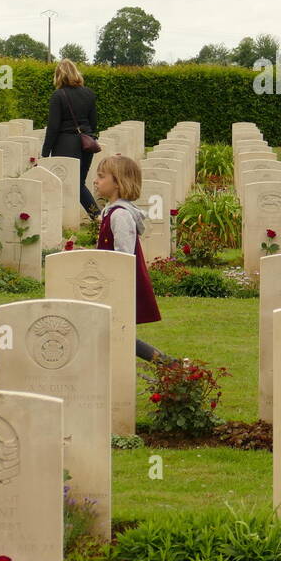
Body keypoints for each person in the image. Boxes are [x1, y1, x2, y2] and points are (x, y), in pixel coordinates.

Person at [93, 153, 170, 363]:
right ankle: (169, 365)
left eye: (101, 176)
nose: (95, 180)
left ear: (117, 182)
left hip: (118, 283)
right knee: (114, 332)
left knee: (119, 333)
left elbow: (123, 257)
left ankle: (169, 365)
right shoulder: (111, 212)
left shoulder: (121, 215)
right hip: (109, 281)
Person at [41, 58, 99, 221]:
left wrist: (45, 153)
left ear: (59, 76)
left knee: (72, 185)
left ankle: (98, 217)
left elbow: (53, 127)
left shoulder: (58, 95)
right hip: (87, 143)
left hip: (65, 145)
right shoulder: (89, 94)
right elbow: (93, 123)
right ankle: (97, 217)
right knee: (79, 183)